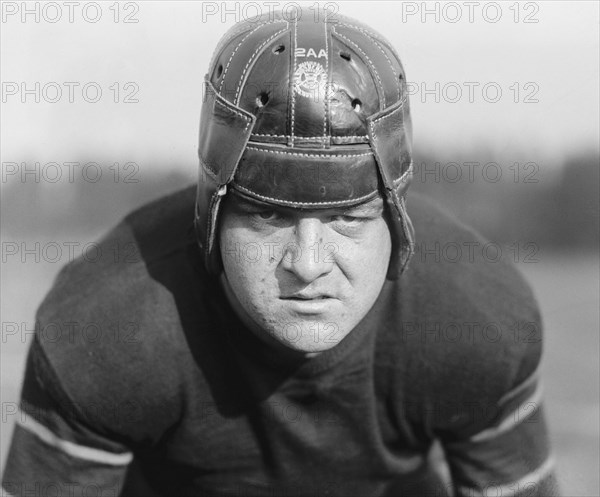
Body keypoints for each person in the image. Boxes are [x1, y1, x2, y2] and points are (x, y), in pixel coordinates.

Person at [2, 7, 560, 497]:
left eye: (346, 217)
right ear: (212, 213)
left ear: (396, 216)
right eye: (269, 215)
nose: (309, 263)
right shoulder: (103, 330)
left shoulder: (480, 319)